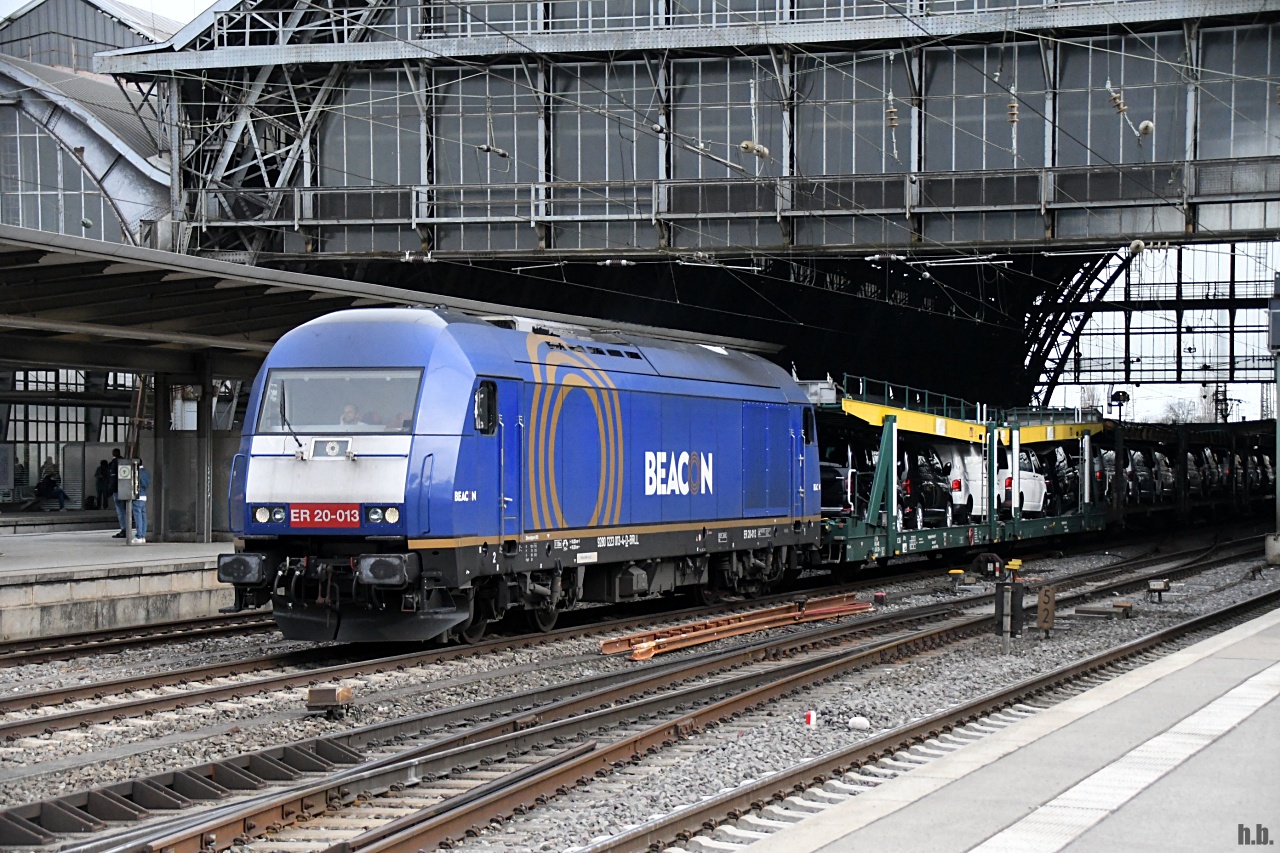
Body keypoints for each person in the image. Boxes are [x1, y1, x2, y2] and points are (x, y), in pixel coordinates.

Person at [131, 462, 151, 544]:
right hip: (144, 495)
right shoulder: (146, 473)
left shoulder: (137, 473)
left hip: (137, 495)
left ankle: (139, 535)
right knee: (143, 516)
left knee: (138, 516)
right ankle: (143, 535)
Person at [109, 448, 127, 538]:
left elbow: (113, 478)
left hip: (117, 490)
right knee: (125, 510)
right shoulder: (124, 461)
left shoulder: (114, 463)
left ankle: (124, 529)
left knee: (120, 511)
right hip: (125, 489)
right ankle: (127, 527)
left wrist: (111, 490)